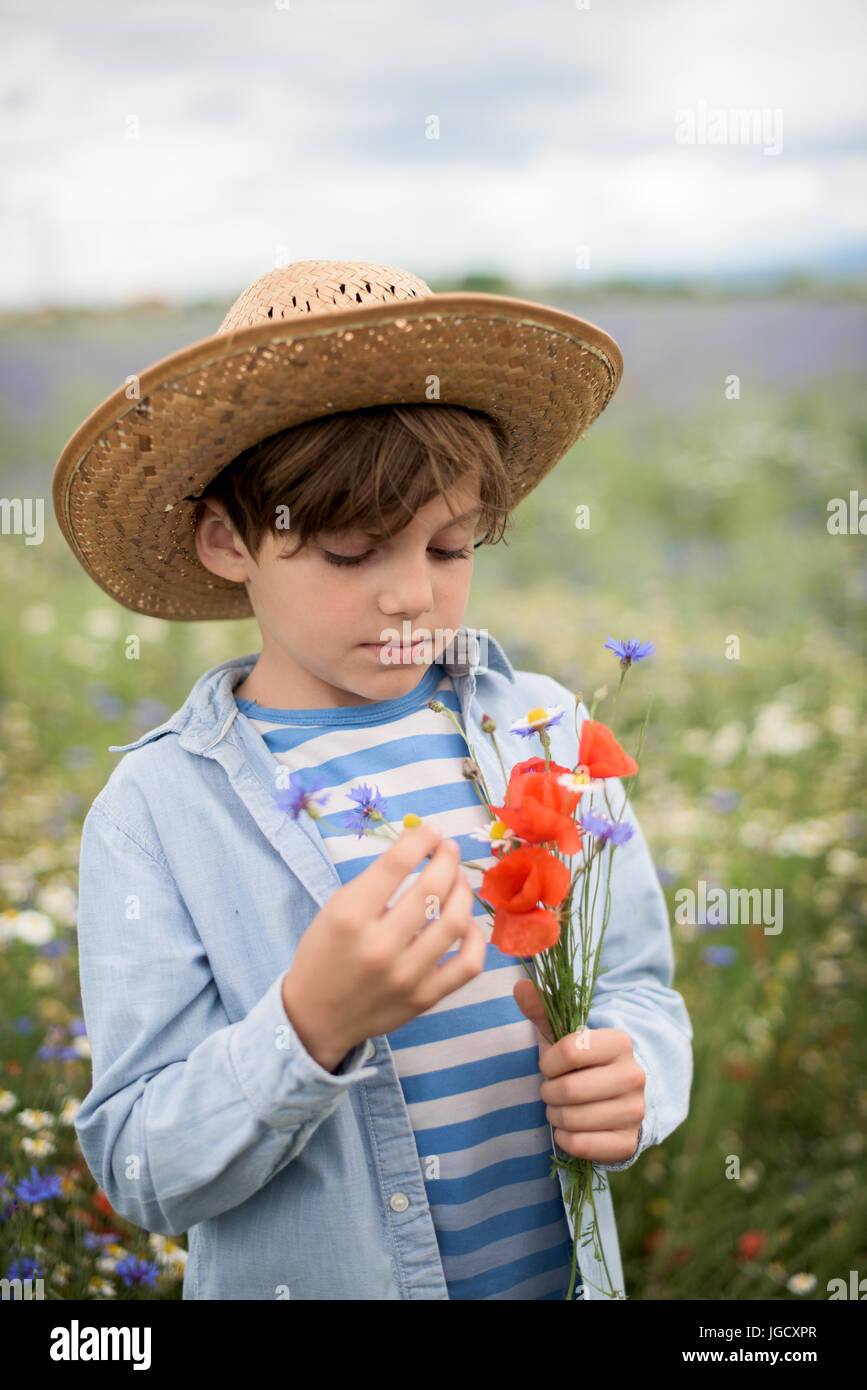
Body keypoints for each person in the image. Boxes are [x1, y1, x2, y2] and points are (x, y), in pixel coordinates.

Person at [54, 259, 693, 1300]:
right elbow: (140, 1162)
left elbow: (639, 987)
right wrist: (311, 1020)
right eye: (352, 551)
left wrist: (635, 1074)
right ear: (229, 540)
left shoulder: (544, 731)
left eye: (450, 544)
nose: (412, 594)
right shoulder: (156, 814)